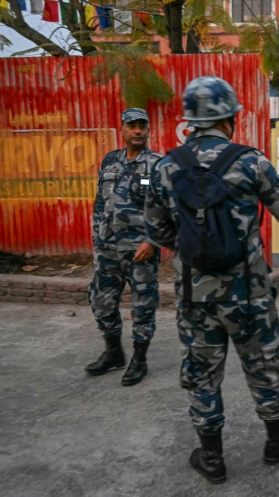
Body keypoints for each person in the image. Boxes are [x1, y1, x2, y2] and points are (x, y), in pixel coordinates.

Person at [144, 76, 279, 484]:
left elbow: (156, 232)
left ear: (190, 121)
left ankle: (212, 459)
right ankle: (276, 442)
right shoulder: (250, 161)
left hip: (194, 296)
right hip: (249, 294)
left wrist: (191, 252)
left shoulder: (166, 166)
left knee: (203, 374)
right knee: (263, 366)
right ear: (229, 118)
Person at [86, 108, 162, 387]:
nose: (138, 130)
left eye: (143, 125)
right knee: (101, 301)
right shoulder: (110, 161)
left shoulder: (157, 164)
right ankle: (114, 352)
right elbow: (99, 203)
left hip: (140, 250)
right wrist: (96, 236)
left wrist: (152, 240)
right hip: (106, 249)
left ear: (148, 130)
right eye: (132, 125)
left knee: (143, 305)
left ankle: (139, 359)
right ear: (123, 129)